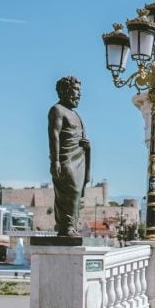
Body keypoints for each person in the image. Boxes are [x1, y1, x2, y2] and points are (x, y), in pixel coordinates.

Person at [49, 76, 90, 237]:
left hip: (79, 158)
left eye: (80, 91)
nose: (79, 94)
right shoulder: (57, 110)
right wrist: (55, 160)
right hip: (65, 157)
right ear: (65, 91)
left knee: (78, 193)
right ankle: (65, 227)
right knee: (71, 191)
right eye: (76, 90)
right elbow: (54, 135)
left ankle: (71, 225)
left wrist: (87, 145)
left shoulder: (77, 115)